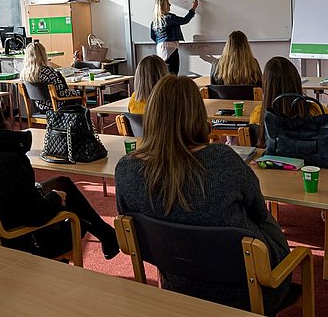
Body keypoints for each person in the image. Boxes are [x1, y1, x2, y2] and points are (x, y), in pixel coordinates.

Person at [115, 75, 291, 313]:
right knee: (266, 221)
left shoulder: (126, 170)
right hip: (250, 290)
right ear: (198, 114)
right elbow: (259, 211)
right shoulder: (223, 160)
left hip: (177, 283)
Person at [0, 83, 119, 260]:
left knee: (62, 183)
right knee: (71, 209)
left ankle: (107, 235)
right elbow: (35, 216)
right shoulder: (5, 159)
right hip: (18, 242)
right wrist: (55, 198)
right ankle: (107, 235)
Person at [250, 56, 323, 146]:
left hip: (273, 159)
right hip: (310, 158)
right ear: (296, 81)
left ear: (266, 86)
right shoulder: (315, 110)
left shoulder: (259, 114)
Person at [20, 42, 81, 111]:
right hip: (56, 107)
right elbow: (61, 93)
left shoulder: (24, 74)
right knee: (80, 96)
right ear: (43, 54)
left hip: (40, 107)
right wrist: (78, 92)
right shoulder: (48, 71)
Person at [150, 0, 198, 75]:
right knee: (173, 72)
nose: (170, 5)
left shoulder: (155, 21)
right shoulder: (169, 17)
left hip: (160, 48)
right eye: (168, 3)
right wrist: (193, 9)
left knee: (164, 72)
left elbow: (152, 36)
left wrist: (161, 42)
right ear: (163, 6)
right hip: (171, 48)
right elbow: (184, 20)